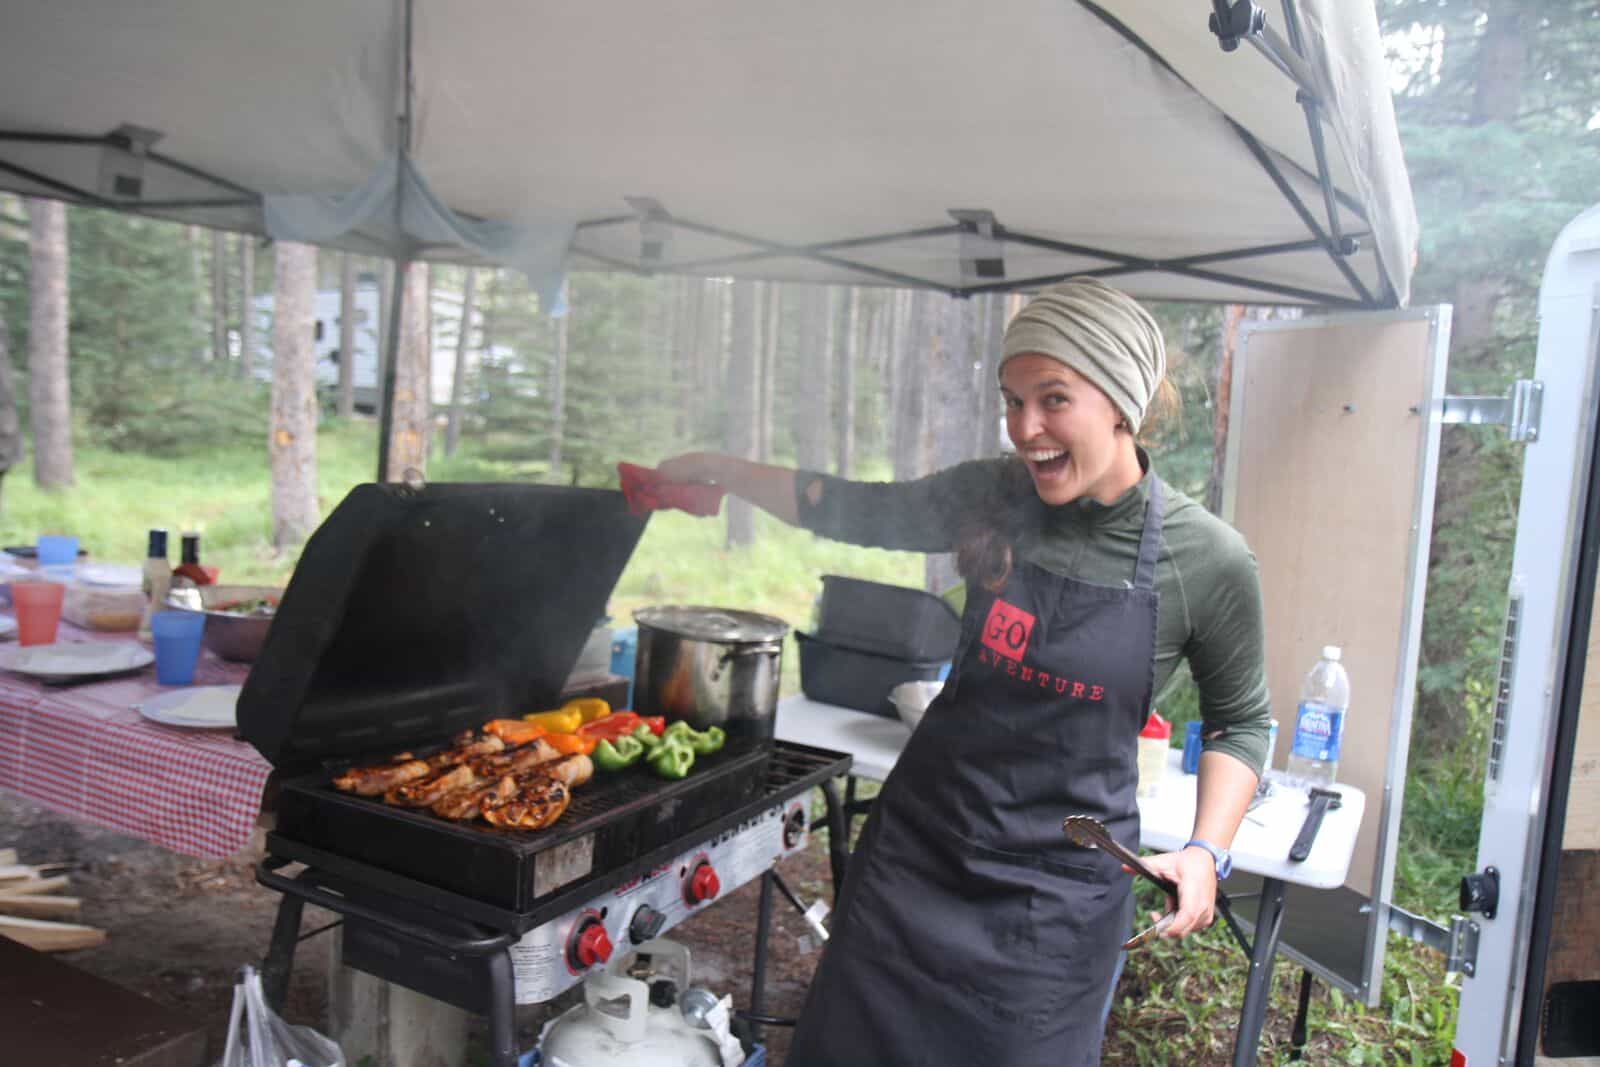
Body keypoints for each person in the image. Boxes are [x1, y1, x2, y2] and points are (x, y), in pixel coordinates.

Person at [654, 277, 1270, 1065]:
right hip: (918, 859)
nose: (1026, 429)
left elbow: (1241, 720)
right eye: (1013, 401)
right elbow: (848, 505)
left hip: (1054, 910)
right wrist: (720, 468)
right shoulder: (992, 495)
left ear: (1120, 401)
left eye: (1053, 400)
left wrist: (1206, 849)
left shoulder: (1207, 558)